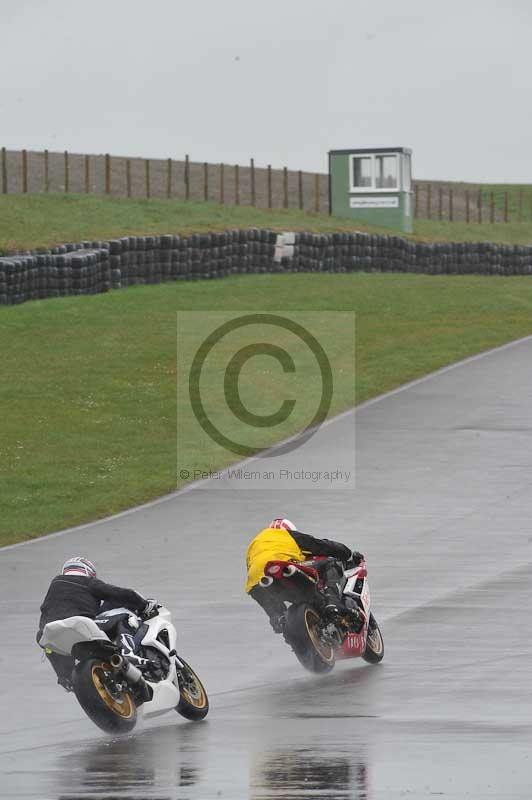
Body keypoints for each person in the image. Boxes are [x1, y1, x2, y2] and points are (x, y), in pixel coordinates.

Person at [37, 557, 158, 691]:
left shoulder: (56, 584)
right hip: (79, 625)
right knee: (123, 617)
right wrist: (144, 605)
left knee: (50, 648)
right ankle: (128, 653)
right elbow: (120, 594)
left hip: (48, 632)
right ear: (88, 571)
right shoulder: (88, 582)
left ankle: (66, 677)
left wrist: (65, 674)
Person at [246, 518, 364, 633]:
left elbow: (251, 566)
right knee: (330, 563)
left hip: (257, 582)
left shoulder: (254, 543)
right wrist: (347, 553)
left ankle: (279, 620)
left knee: (281, 619)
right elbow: (320, 545)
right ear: (288, 529)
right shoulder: (286, 535)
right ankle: (333, 602)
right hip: (285, 565)